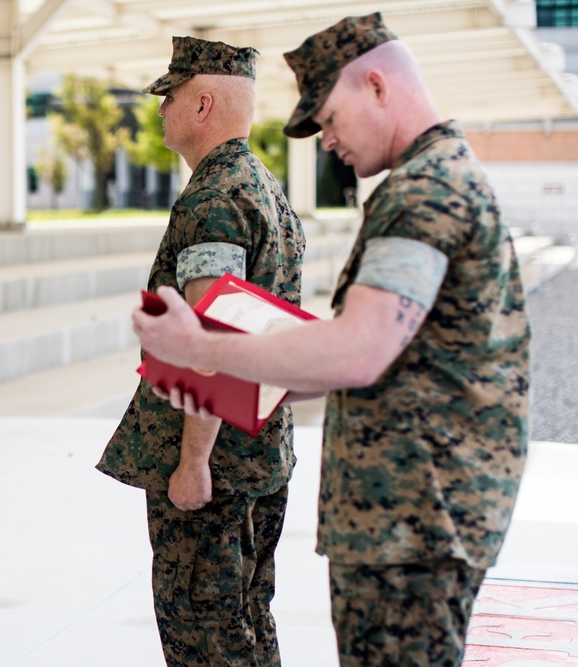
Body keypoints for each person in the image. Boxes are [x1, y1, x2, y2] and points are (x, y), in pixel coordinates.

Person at [132, 13, 531, 667]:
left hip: (413, 522)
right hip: (405, 517)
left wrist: (200, 349)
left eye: (329, 116)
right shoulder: (423, 184)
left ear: (377, 85)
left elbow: (357, 349)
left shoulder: (426, 193)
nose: (326, 140)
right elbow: (347, 354)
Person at [96, 36, 305, 667]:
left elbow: (212, 335)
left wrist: (193, 461)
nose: (159, 111)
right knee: (246, 620)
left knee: (206, 632)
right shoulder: (261, 184)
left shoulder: (215, 199)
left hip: (218, 465)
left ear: (203, 104)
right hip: (260, 448)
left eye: (170, 98)